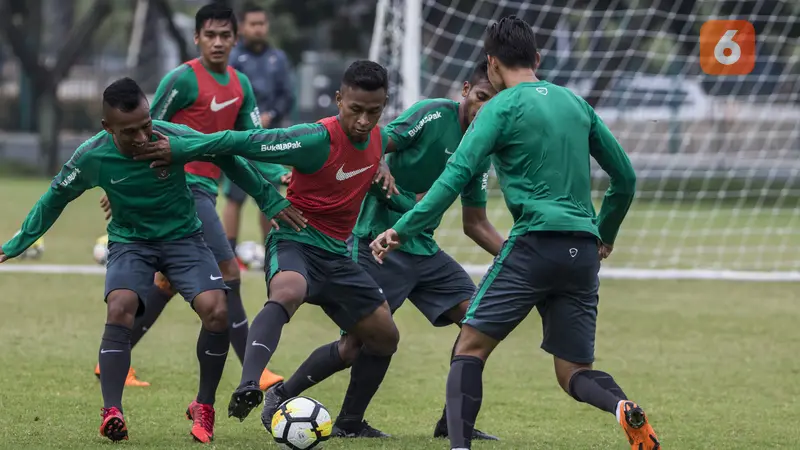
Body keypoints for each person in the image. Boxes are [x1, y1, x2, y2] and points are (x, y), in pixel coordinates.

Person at [370, 16, 660, 450]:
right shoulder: (575, 103)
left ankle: (459, 446)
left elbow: (453, 178)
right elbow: (626, 178)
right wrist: (605, 232)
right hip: (582, 251)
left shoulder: (500, 107)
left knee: (469, 347)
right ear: (537, 58)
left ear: (491, 64)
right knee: (573, 371)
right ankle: (622, 406)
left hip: (534, 244)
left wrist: (402, 228)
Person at [0, 78, 301, 443]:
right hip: (132, 243)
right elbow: (54, 197)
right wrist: (20, 241)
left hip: (184, 239)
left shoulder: (170, 135)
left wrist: (268, 199)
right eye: (130, 132)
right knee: (120, 306)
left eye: (146, 125)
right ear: (107, 128)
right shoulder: (92, 155)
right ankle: (113, 410)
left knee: (217, 310)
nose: (143, 137)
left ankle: (203, 406)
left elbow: (227, 156)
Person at [132, 60, 408, 425]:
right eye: (355, 110)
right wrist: (182, 148)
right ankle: (250, 383)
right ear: (339, 99)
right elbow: (241, 141)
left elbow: (391, 143)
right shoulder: (313, 139)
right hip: (295, 240)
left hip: (338, 257)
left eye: (373, 112)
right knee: (288, 291)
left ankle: (303, 403)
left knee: (383, 338)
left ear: (383, 106)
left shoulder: (379, 137)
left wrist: (384, 168)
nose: (362, 121)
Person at [258, 60, 505, 441]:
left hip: (422, 247)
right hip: (376, 240)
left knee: (479, 323)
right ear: (466, 90)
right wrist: (382, 164)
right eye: (483, 97)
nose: (487, 108)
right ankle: (288, 397)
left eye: (498, 101)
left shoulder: (482, 146)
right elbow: (374, 137)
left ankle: (454, 422)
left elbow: (475, 223)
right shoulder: (432, 114)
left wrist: (515, 255)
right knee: (355, 344)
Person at [94, 3, 285, 391]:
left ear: (236, 39)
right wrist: (125, 190)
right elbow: (137, 134)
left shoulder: (241, 85)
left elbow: (248, 144)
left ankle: (116, 357)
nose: (217, 43)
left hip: (205, 191)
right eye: (210, 35)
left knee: (165, 282)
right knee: (230, 273)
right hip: (182, 186)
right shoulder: (182, 79)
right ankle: (255, 369)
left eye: (224, 36)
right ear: (197, 38)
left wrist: (277, 174)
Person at [222, 1, 296, 257]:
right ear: (242, 27)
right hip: (241, 139)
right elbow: (227, 95)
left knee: (270, 196)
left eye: (262, 24)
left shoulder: (278, 58)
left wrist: (271, 115)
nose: (258, 29)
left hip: (269, 140)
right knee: (235, 197)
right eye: (253, 24)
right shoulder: (232, 58)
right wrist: (247, 121)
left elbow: (288, 96)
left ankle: (271, 248)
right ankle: (229, 252)